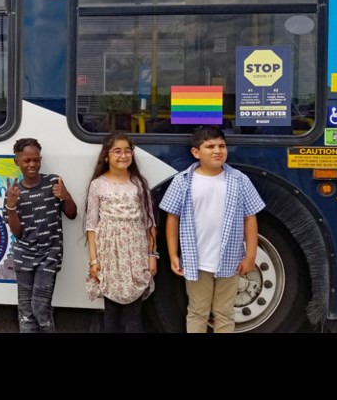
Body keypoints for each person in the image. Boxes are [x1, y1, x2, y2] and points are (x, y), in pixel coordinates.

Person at [159, 125, 265, 333]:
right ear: (196, 152)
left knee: (224, 312)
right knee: (198, 311)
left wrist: (250, 255)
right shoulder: (183, 181)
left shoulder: (239, 180)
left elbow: (250, 218)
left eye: (222, 146)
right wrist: (173, 254)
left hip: (230, 260)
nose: (217, 150)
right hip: (196, 261)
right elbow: (172, 218)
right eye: (210, 146)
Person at [84, 132, 157, 333]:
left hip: (135, 252)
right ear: (106, 156)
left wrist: (152, 255)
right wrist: (94, 261)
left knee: (134, 312)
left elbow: (149, 222)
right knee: (111, 310)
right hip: (109, 253)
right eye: (117, 151)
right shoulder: (98, 184)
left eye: (127, 151)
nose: (123, 155)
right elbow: (91, 226)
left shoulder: (139, 184)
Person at [4, 137, 78, 333]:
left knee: (40, 307)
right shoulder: (14, 191)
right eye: (27, 160)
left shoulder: (53, 182)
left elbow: (72, 214)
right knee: (26, 312)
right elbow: (17, 233)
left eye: (36, 160)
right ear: (17, 161)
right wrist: (11, 206)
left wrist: (66, 197)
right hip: (24, 256)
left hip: (49, 255)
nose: (32, 164)